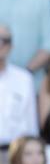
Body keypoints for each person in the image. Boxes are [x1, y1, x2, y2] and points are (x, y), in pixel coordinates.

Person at [0, 23, 36, 152]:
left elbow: (31, 124)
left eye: (5, 40)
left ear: (11, 46)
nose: (1, 45)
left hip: (15, 153)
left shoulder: (24, 79)